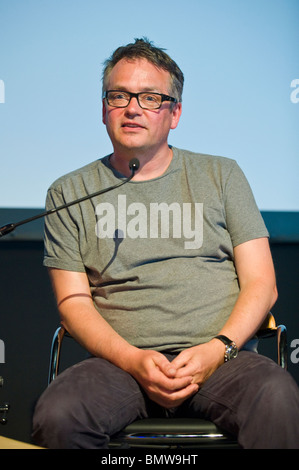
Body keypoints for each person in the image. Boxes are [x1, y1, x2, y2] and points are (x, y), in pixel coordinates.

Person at [32, 38, 299, 449]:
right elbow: (73, 303)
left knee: (279, 398)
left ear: (174, 113)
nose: (133, 108)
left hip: (222, 362)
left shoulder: (222, 175)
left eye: (151, 98)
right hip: (118, 366)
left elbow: (263, 283)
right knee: (59, 414)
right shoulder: (70, 191)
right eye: (119, 95)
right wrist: (133, 361)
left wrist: (218, 349)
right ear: (104, 108)